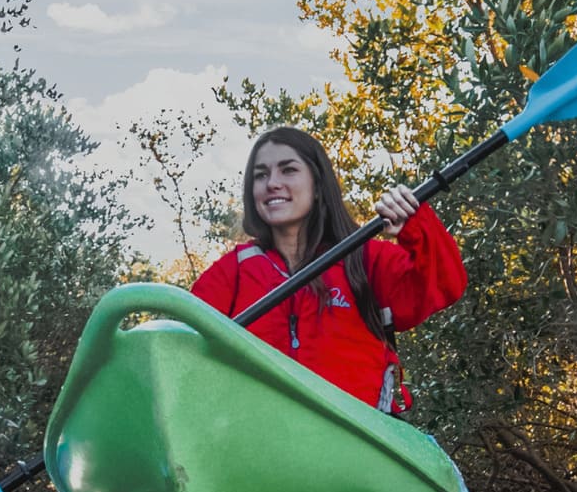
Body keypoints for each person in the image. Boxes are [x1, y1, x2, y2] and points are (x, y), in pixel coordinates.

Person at [190, 127, 467, 413]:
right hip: (258, 437)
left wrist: (415, 222)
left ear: (318, 184)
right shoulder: (234, 271)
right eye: (260, 175)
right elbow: (184, 339)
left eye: (288, 170)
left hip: (352, 439)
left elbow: (445, 284)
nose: (272, 183)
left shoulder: (364, 258)